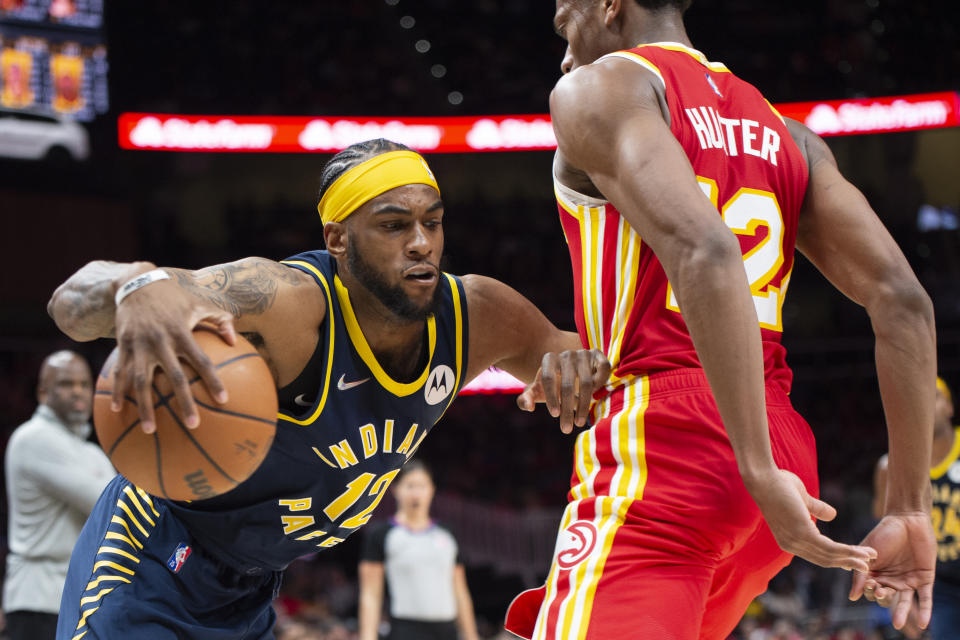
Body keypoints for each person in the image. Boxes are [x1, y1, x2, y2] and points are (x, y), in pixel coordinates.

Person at [46, 138, 611, 640]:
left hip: (251, 585)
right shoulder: (285, 304)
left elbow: (581, 355)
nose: (421, 243)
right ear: (338, 239)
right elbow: (69, 303)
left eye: (432, 222)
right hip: (156, 556)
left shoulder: (476, 315)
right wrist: (134, 284)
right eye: (394, 225)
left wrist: (578, 366)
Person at [504, 1, 938, 638]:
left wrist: (753, 469)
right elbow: (904, 302)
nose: (566, 56)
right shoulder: (789, 135)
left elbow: (706, 251)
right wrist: (909, 505)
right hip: (780, 439)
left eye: (566, 26)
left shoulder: (599, 88)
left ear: (608, 6)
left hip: (675, 446)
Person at [3, 351, 116, 640]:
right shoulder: (33, 438)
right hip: (38, 598)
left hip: (76, 595)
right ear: (43, 392)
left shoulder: (90, 450)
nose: (78, 391)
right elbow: (107, 504)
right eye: (66, 384)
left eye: (84, 383)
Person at [873, 376, 960, 640]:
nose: (924, 406)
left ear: (949, 407)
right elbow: (887, 542)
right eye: (915, 401)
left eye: (933, 397)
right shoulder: (891, 468)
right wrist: (899, 592)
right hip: (939, 587)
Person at [358, 460, 479, 640]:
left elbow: (460, 591)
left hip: (447, 630)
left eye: (422, 486)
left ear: (432, 490)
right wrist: (368, 636)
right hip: (405, 629)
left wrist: (471, 636)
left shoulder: (447, 534)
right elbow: (371, 594)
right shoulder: (381, 534)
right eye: (410, 486)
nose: (416, 493)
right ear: (395, 489)